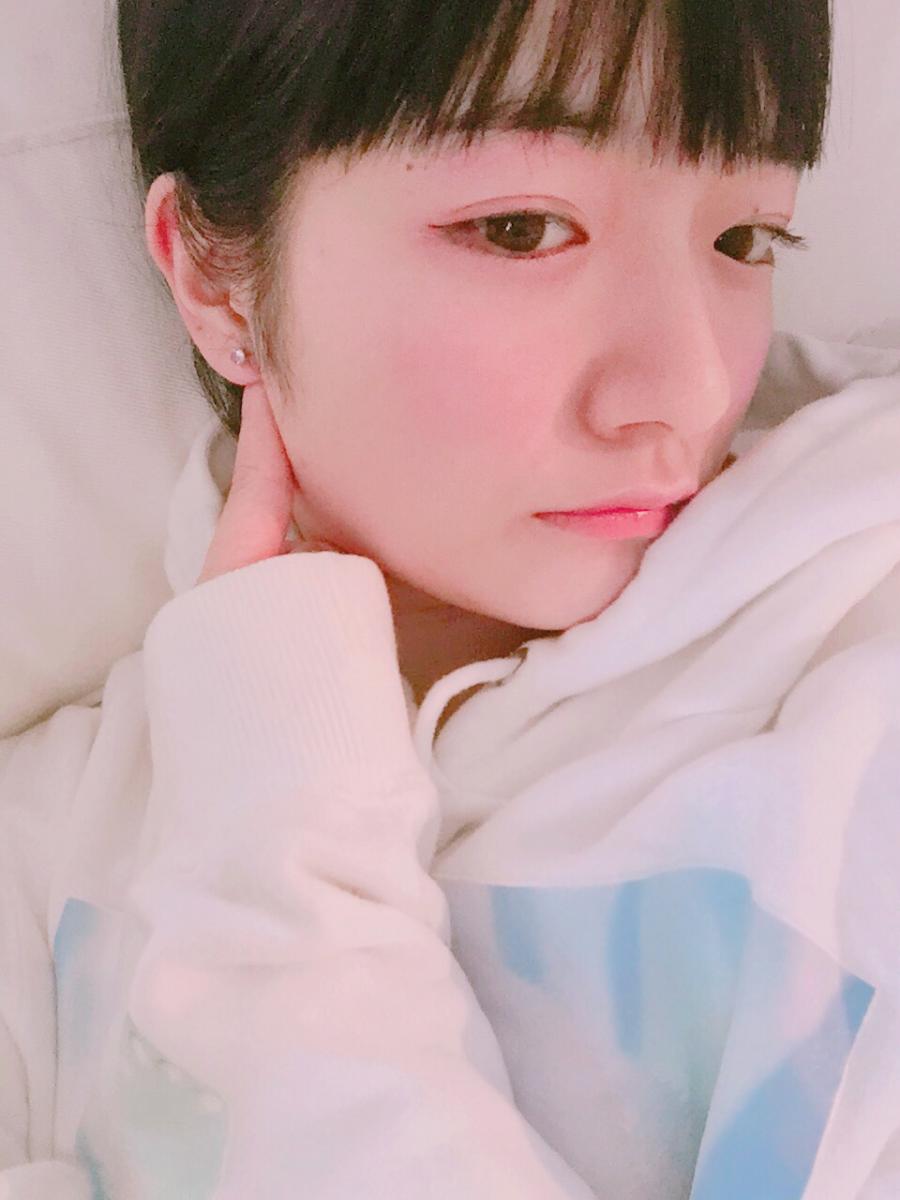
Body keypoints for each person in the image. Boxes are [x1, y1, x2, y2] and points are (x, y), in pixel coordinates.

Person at [8, 0, 900, 1196]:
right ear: (215, 275)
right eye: (523, 229)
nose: (688, 387)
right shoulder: (48, 857)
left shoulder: (858, 683)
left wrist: (283, 871)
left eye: (746, 238)